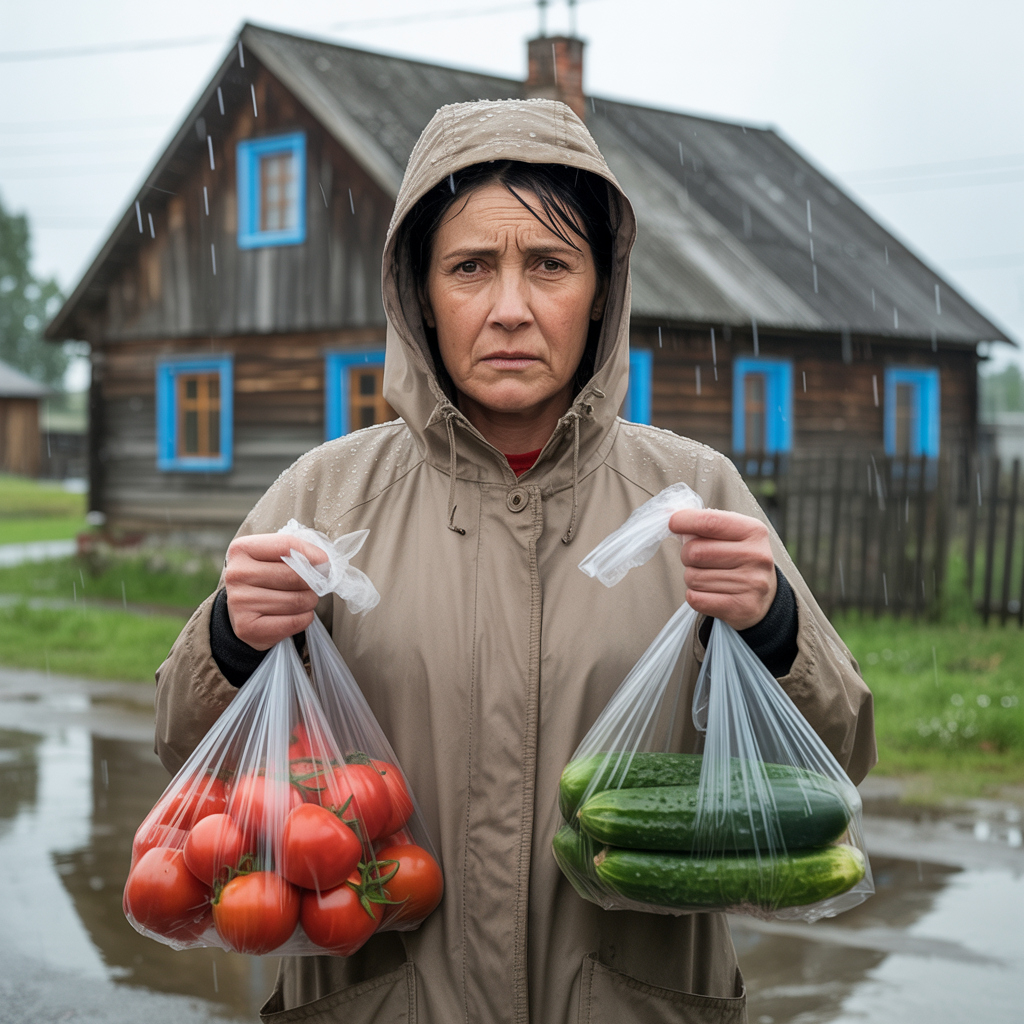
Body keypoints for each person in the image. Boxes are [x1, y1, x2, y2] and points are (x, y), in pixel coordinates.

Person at [155, 98, 874, 1024]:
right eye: (469, 267)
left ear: (601, 290)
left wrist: (774, 630)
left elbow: (842, 759)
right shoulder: (325, 500)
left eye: (548, 265)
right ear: (420, 293)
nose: (509, 309)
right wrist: (230, 640)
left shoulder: (695, 495)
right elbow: (186, 758)